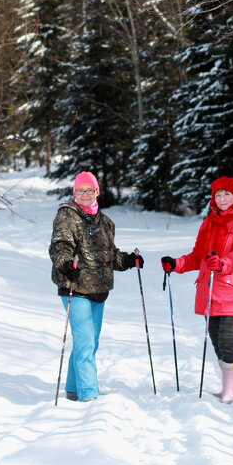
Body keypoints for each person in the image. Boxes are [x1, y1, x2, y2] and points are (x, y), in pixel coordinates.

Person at [49, 170, 144, 402]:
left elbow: (109, 255)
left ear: (97, 192)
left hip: (99, 290)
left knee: (91, 342)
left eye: (89, 190)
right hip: (75, 286)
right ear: (75, 192)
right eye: (80, 190)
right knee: (86, 342)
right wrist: (65, 263)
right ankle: (88, 394)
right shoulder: (66, 216)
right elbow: (60, 245)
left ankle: (73, 388)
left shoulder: (106, 222)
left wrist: (128, 260)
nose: (85, 194)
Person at [161, 176, 233, 403]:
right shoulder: (209, 222)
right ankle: (229, 386)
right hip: (209, 292)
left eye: (227, 194)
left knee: (228, 339)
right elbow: (197, 256)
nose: (222, 199)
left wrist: (223, 264)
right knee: (215, 339)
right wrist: (176, 264)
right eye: (218, 195)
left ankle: (232, 391)